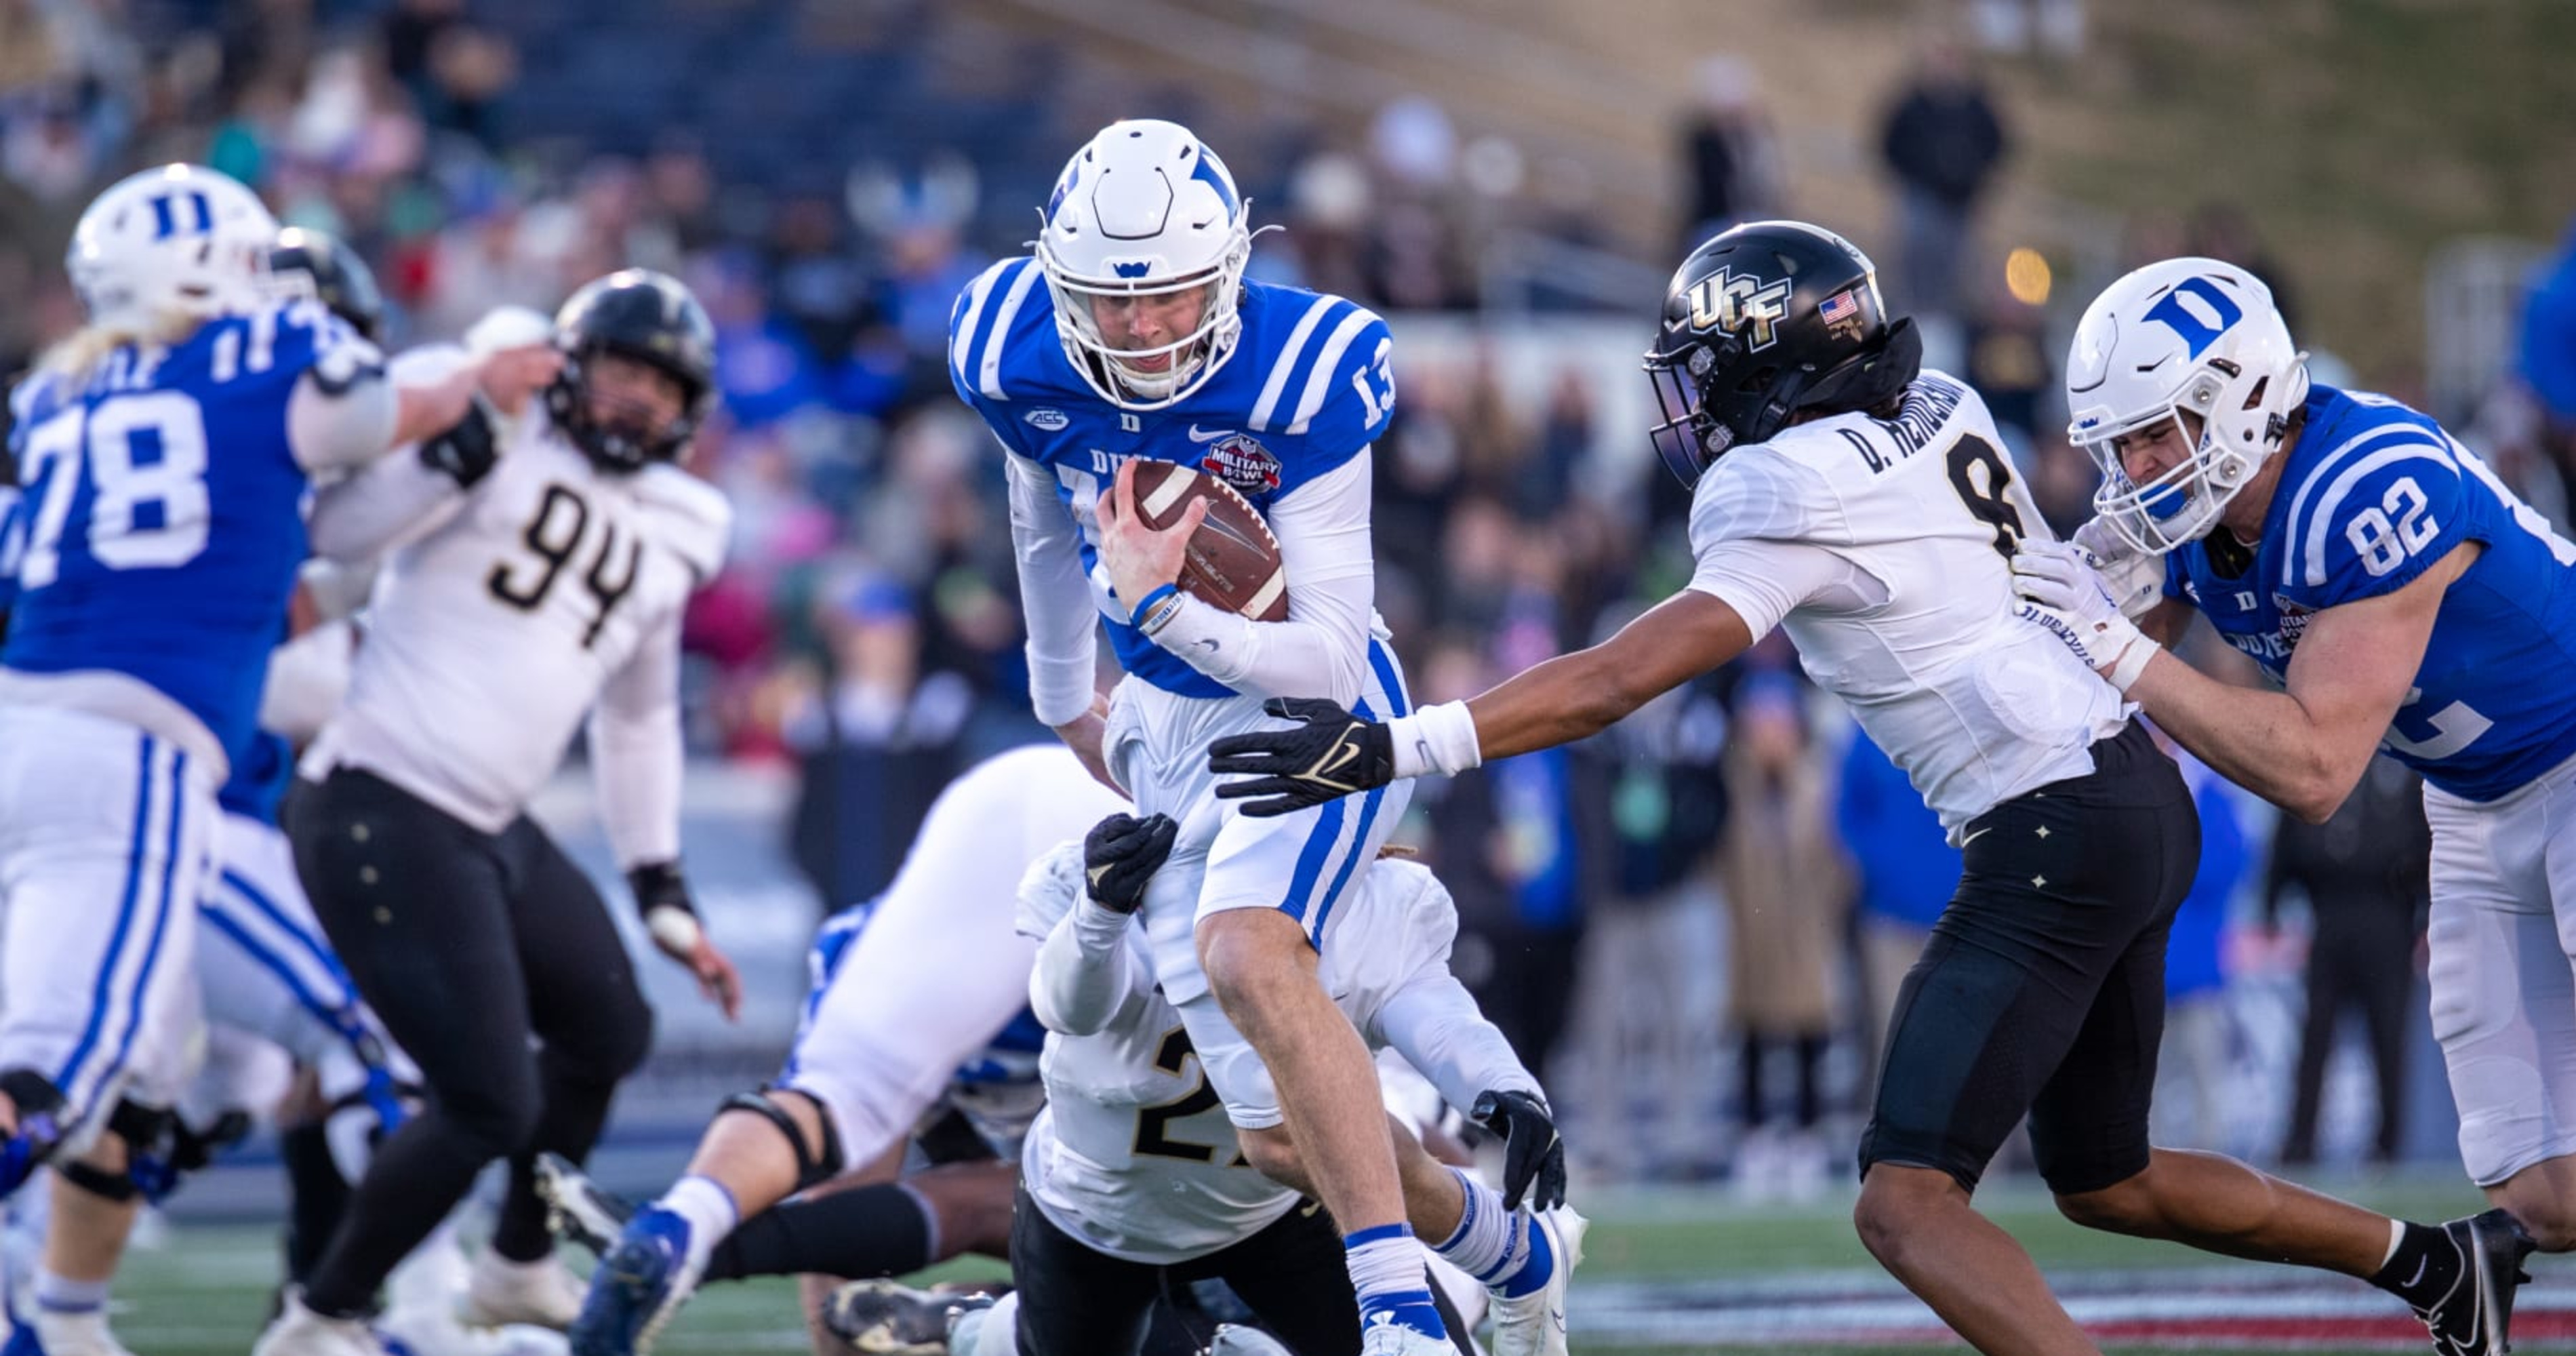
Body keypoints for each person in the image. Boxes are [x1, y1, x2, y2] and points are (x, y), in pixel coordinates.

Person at [1205, 220, 2528, 1356]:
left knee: (1903, 1204)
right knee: (2108, 1177)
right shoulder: (1941, 398)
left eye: (1709, 374)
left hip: (2051, 825)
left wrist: (1411, 741)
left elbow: (1633, 669)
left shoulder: (1775, 482)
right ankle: (2427, 1263)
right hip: (2130, 797)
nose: (1691, 406)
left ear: (1776, 375)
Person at [948, 117, 1571, 1355]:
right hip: (1164, 718)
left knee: (1248, 949)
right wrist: (1062, 685)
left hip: (1316, 710)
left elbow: (1335, 649)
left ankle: (1397, 1313)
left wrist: (1160, 606)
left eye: (1170, 298)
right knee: (1280, 1132)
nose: (1138, 331)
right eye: (1108, 307)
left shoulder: (1310, 368)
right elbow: (1037, 507)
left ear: (1231, 269)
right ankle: (1517, 1254)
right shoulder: (1008, 344)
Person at [0, 164, 487, 1356]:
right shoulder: (261, 375)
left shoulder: (59, 408)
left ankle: (59, 1327)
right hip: (152, 797)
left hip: (57, 758)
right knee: (59, 1089)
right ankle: (403, 1319)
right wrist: (482, 390)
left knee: (132, 1105)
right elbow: (357, 451)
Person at [2013, 256, 2576, 1271]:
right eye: (2119, 443)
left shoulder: (2370, 482)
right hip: (2480, 801)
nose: (2134, 469)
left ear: (2244, 401)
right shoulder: (2195, 512)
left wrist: (2120, 648)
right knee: (2544, 1191)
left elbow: (2316, 770)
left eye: (2153, 435)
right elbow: (2079, 677)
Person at [253, 268, 743, 1356]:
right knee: (487, 1100)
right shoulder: (502, 423)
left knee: (610, 1027)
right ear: (572, 360)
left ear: (689, 411)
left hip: (488, 825)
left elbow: (638, 717)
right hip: (380, 795)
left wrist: (660, 881)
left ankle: (518, 1266)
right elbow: (338, 533)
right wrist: (462, 436)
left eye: (661, 388)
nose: (634, 401)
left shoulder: (679, 520)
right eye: (620, 369)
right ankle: (319, 1320)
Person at [826, 813, 1558, 1356]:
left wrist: (1499, 1083)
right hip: (1098, 1208)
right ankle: (974, 1329)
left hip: (1269, 1207)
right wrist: (1096, 915)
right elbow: (1066, 1008)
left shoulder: (1372, 897)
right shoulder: (1110, 871)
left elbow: (1425, 1004)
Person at [562, 742, 1118, 1356]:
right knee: (1101, 1224)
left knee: (847, 1105)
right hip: (1136, 875)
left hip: (1039, 796)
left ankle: (682, 1227)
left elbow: (844, 1215)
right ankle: (970, 1319)